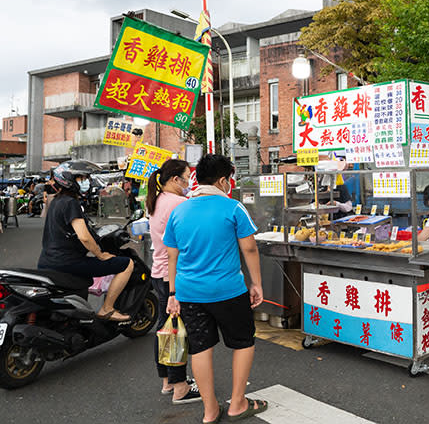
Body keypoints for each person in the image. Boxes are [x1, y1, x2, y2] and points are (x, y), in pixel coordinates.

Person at [164, 154, 268, 423]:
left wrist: (173, 293)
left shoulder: (179, 211)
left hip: (188, 293)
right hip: (228, 291)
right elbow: (249, 248)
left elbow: (171, 256)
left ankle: (210, 411)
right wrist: (256, 283)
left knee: (200, 348)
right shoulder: (232, 208)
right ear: (223, 180)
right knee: (243, 343)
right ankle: (237, 404)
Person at [37, 170, 135, 322]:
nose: (86, 182)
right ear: (71, 183)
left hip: (47, 261)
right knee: (126, 264)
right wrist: (100, 254)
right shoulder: (70, 203)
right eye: (82, 179)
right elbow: (84, 237)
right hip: (68, 263)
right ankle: (107, 309)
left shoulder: (56, 201)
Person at [145, 159, 200, 404]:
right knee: (178, 330)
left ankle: (167, 381)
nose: (189, 182)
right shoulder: (179, 203)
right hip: (174, 276)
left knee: (165, 328)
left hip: (159, 272)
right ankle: (180, 387)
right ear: (176, 179)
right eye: (187, 177)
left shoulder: (155, 201)